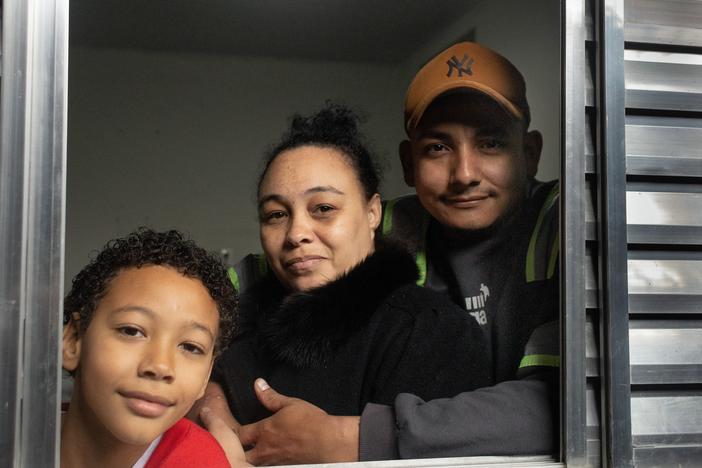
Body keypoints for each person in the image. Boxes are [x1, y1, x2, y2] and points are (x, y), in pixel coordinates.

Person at [202, 41, 559, 465]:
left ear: (531, 153)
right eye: (437, 148)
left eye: (491, 144)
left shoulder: (568, 225)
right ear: (408, 164)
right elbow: (200, 308)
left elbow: (568, 407)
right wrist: (211, 407)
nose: (464, 174)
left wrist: (352, 437)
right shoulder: (384, 221)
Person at [203, 103, 492, 461]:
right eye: (276, 215)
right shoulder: (238, 321)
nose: (296, 233)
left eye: (323, 208)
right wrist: (210, 408)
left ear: (373, 213)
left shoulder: (432, 333)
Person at [60, 228, 244, 467]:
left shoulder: (199, 462)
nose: (160, 366)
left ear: (206, 375)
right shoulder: (16, 431)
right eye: (132, 331)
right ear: (74, 340)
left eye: (190, 347)